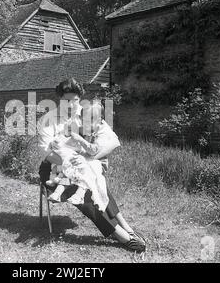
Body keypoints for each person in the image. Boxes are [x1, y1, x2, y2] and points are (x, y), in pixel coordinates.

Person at [37, 78, 146, 253]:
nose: (71, 104)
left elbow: (113, 141)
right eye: (66, 100)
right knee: (82, 186)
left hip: (84, 163)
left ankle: (126, 226)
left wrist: (90, 158)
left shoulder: (88, 113)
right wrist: (70, 164)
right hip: (54, 168)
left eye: (75, 99)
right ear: (59, 99)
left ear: (79, 98)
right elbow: (46, 153)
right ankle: (119, 234)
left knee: (95, 180)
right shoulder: (48, 119)